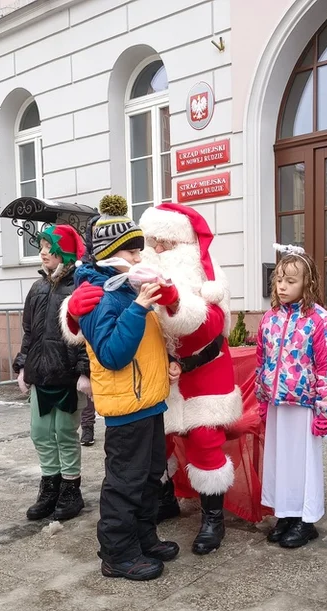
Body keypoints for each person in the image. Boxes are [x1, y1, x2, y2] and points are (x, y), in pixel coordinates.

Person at [66, 197, 248, 555]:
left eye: (169, 243)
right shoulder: (129, 280)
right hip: (148, 383)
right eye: (152, 243)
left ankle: (212, 518)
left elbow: (209, 323)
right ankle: (159, 507)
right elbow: (103, 312)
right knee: (150, 457)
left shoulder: (206, 279)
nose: (158, 250)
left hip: (202, 374)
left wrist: (175, 302)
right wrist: (72, 311)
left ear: (187, 247)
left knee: (204, 441)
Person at [63, 208, 181, 581]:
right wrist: (139, 306)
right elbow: (114, 354)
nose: (138, 259)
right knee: (125, 483)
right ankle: (117, 552)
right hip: (125, 406)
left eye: (139, 251)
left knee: (149, 478)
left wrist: (169, 359)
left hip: (149, 400)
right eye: (131, 252)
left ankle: (143, 537)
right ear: (110, 253)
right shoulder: (96, 297)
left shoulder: (127, 289)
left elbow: (147, 343)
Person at [256, 246, 327, 547]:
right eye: (279, 279)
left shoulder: (319, 320)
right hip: (277, 402)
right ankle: (286, 512)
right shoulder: (270, 319)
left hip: (304, 403)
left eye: (291, 281)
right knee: (281, 461)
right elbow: (262, 360)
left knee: (302, 462)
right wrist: (262, 399)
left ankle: (305, 519)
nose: (282, 286)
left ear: (308, 282)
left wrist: (324, 411)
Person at [13, 224, 90, 523]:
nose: (43, 253)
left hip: (67, 376)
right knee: (41, 433)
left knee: (65, 433)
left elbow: (85, 333)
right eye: (42, 247)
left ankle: (71, 489)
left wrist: (84, 371)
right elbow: (29, 332)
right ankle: (50, 485)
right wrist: (23, 364)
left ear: (65, 253)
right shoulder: (37, 288)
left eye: (49, 248)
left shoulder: (78, 287)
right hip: (41, 374)